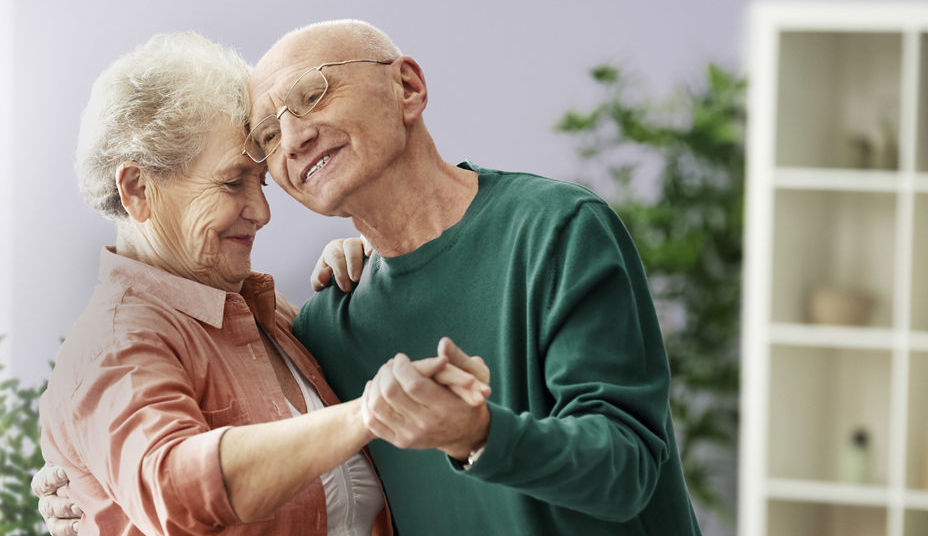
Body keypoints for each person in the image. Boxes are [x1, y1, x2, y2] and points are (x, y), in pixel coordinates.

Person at [38, 19, 702, 535]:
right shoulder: (330, 323)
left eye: (312, 94)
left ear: (407, 87)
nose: (292, 138)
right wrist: (89, 479)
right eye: (267, 136)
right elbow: (167, 478)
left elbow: (629, 470)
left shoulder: (554, 231)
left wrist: (478, 434)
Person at [35, 31, 488, 536]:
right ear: (139, 189)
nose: (263, 212)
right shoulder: (114, 342)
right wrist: (369, 412)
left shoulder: (269, 317)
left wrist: (369, 259)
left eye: (261, 182)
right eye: (232, 183)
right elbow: (175, 488)